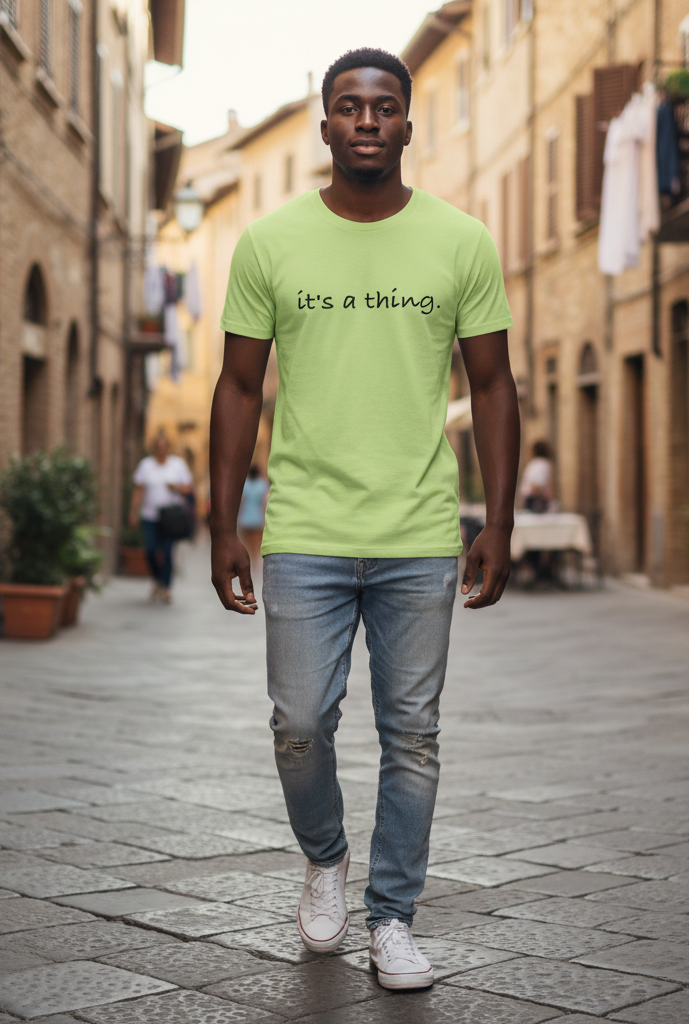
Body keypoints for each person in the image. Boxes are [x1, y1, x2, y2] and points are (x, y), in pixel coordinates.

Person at [208, 48, 518, 991]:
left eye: (385, 107)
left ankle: (392, 918)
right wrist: (225, 523)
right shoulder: (270, 242)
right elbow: (236, 386)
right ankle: (327, 856)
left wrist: (495, 519)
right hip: (303, 527)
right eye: (349, 107)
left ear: (408, 126)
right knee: (299, 723)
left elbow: (495, 384)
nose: (368, 121)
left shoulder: (461, 241)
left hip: (420, 531)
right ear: (328, 127)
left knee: (412, 736)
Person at [128, 432, 193, 603]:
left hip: (170, 518)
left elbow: (187, 489)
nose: (162, 450)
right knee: (150, 550)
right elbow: (138, 489)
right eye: (158, 447)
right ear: (154, 449)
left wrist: (176, 488)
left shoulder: (177, 465)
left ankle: (166, 587)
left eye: (164, 447)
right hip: (150, 516)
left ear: (168, 448)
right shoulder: (146, 465)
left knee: (167, 552)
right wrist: (133, 512)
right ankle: (157, 579)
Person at [238, 465, 269, 562]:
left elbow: (241, 502)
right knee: (256, 541)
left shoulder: (245, 484)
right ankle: (255, 559)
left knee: (246, 541)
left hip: (245, 516)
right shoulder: (263, 484)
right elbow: (264, 503)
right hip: (258, 517)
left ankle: (248, 559)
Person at [520, 440, 555, 513]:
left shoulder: (539, 464)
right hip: (534, 498)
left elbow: (537, 484)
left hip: (535, 500)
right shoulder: (540, 463)